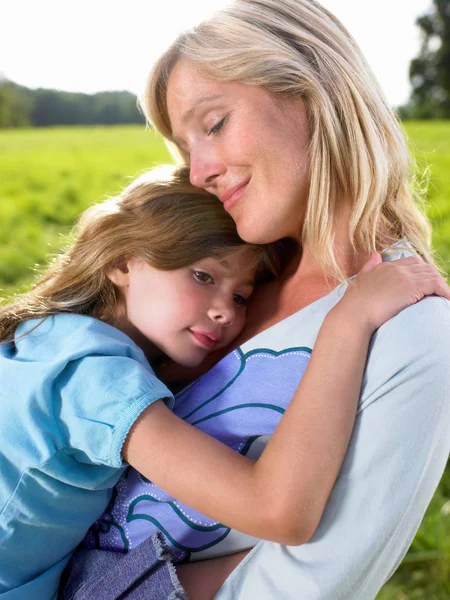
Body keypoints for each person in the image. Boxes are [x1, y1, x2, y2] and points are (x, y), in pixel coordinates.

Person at [59, 1, 450, 599]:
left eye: (213, 124)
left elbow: (312, 580)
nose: (197, 173)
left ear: (313, 90)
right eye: (186, 147)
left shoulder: (412, 332)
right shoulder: (231, 276)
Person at [1, 164, 439, 600]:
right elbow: (275, 512)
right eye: (203, 276)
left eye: (241, 296)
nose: (225, 312)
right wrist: (349, 319)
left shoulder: (45, 336)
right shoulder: (95, 377)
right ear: (122, 261)